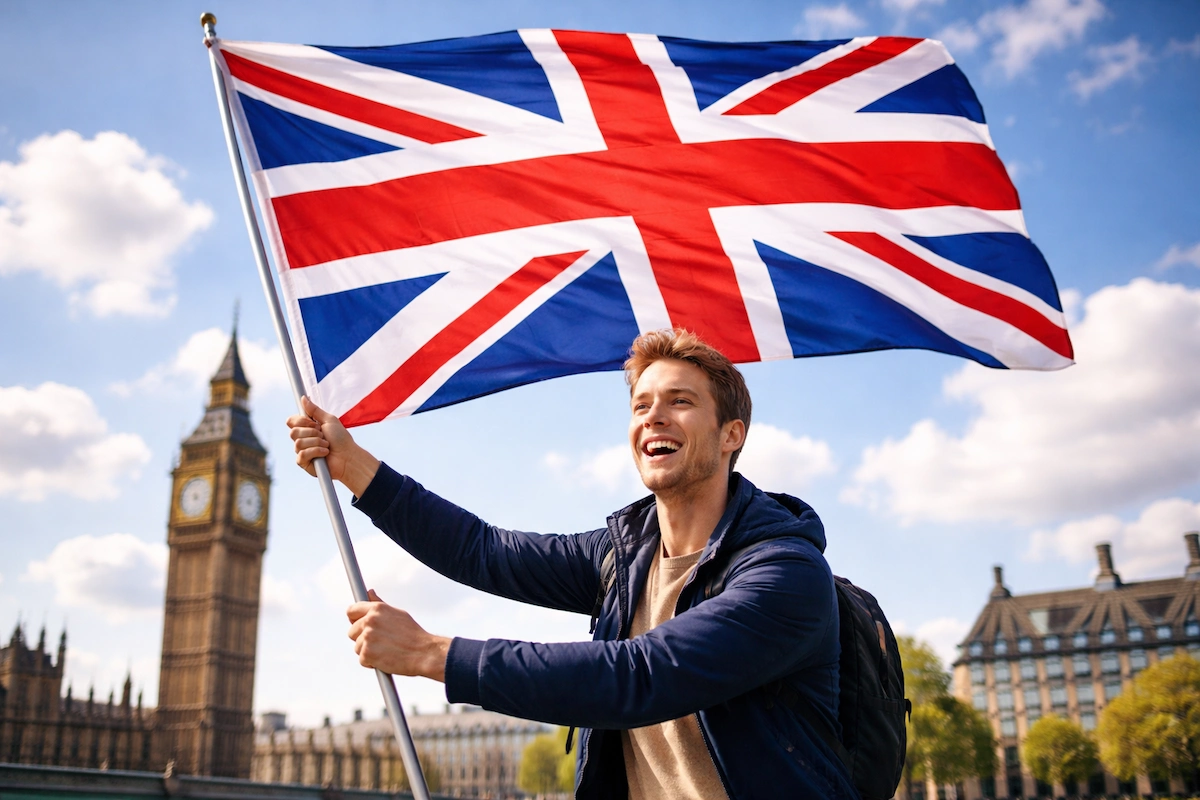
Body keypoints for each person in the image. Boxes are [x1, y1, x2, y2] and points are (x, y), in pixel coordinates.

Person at [288, 328, 856, 799]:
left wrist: (432, 654)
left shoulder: (784, 572)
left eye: (680, 401)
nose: (654, 416)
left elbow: (641, 676)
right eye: (641, 405)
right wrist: (354, 467)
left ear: (732, 435)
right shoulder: (621, 557)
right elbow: (482, 551)